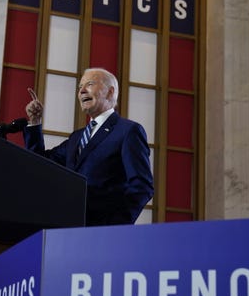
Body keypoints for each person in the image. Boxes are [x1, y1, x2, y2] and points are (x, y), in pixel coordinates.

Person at [24, 68, 154, 225]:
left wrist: (115, 225)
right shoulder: (76, 137)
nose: (82, 91)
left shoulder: (128, 131)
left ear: (110, 92)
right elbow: (40, 164)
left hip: (103, 233)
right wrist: (35, 122)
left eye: (90, 84)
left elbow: (142, 185)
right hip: (66, 228)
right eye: (79, 87)